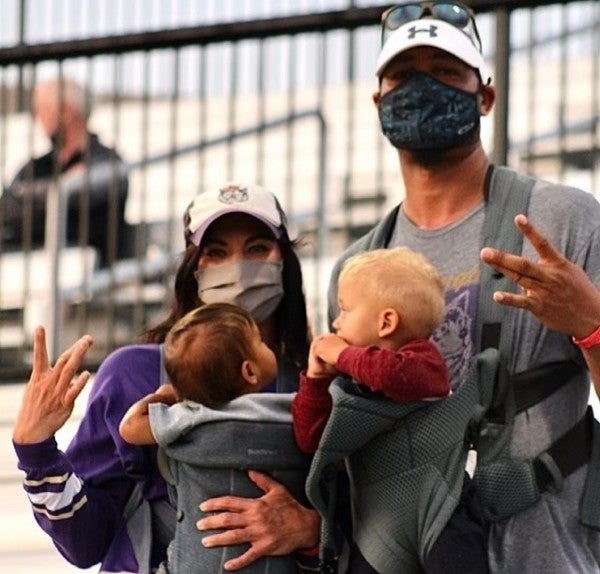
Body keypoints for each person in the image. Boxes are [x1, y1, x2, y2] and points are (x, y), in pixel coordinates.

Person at [327, 2, 600, 572]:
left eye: (447, 72)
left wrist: (592, 325)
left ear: (486, 96)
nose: (422, 87)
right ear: (378, 102)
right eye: (403, 75)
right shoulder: (355, 269)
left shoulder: (564, 220)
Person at [12, 182, 320, 574]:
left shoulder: (315, 386)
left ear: (285, 263)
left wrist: (310, 530)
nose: (238, 267)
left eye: (258, 248)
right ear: (194, 270)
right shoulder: (133, 374)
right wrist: (36, 453)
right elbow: (85, 543)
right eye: (217, 253)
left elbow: (360, 530)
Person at [293, 247, 488, 573]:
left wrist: (341, 355)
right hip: (377, 524)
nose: (336, 322)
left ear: (386, 322)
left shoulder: (424, 364)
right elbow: (311, 440)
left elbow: (389, 374)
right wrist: (315, 381)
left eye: (345, 310)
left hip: (442, 512)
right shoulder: (350, 378)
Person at [120, 302, 311, 573]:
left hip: (194, 563)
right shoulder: (288, 414)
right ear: (249, 371)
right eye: (259, 341)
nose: (266, 344)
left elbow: (129, 428)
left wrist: (168, 395)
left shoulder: (188, 420)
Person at [0, 76, 133, 267]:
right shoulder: (34, 167)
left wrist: (29, 197)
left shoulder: (108, 162)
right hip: (30, 275)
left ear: (67, 111)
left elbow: (85, 196)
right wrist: (61, 189)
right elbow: (6, 207)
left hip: (95, 281)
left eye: (43, 109)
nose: (38, 117)